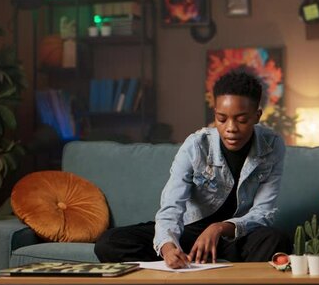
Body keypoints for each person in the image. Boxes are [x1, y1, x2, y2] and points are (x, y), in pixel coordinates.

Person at [94, 69, 290, 269]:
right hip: (189, 232)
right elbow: (171, 205)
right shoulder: (196, 145)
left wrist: (220, 228)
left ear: (257, 116)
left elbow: (264, 212)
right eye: (222, 119)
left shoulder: (272, 145)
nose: (231, 128)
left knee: (277, 241)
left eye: (241, 120)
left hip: (234, 236)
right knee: (109, 243)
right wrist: (168, 247)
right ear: (215, 114)